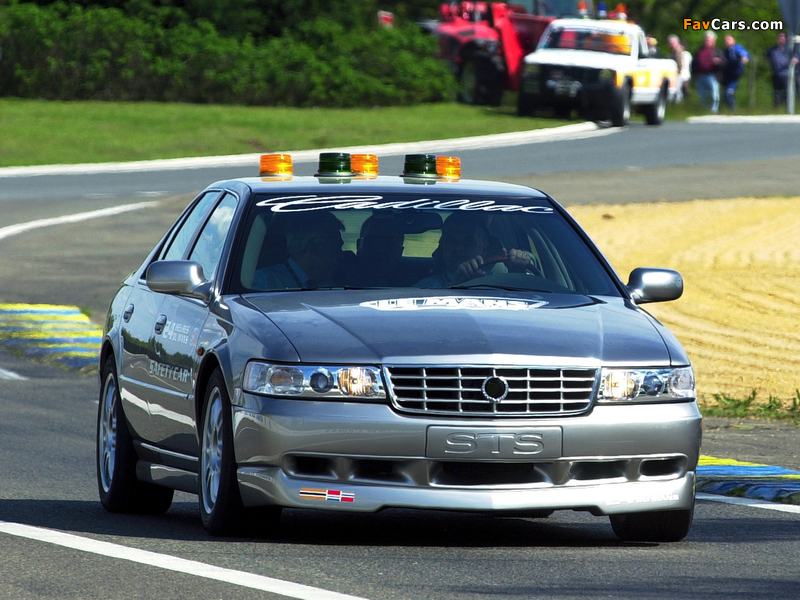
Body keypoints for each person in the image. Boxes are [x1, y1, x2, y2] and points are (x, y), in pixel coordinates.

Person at [415, 213, 535, 288]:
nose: (459, 247)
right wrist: (455, 285)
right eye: (452, 241)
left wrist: (517, 274)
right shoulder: (426, 287)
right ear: (443, 247)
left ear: (485, 249)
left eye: (468, 241)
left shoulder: (501, 283)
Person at [253, 212, 345, 290]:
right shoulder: (265, 283)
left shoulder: (328, 283)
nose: (341, 256)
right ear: (313, 248)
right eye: (335, 247)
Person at [350, 214, 405, 287]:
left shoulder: (412, 279)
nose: (380, 251)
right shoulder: (340, 273)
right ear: (359, 245)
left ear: (400, 251)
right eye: (373, 244)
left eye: (389, 245)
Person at [766, 32, 800, 108]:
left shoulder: (790, 49)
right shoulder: (773, 49)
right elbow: (767, 57)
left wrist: (795, 60)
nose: (780, 39)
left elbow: (797, 57)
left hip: (787, 74)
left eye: (782, 37)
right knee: (776, 93)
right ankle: (777, 108)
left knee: (787, 93)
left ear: (786, 39)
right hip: (776, 74)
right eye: (779, 37)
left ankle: (788, 108)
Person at [693, 32, 724, 114]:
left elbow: (724, 62)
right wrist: (695, 73)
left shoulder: (717, 51)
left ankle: (714, 110)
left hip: (712, 75)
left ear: (713, 41)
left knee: (714, 95)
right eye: (706, 39)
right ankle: (704, 110)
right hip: (700, 76)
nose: (707, 41)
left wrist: (718, 62)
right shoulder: (699, 51)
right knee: (702, 95)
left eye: (709, 40)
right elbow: (694, 63)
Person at [720, 34, 749, 110]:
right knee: (725, 94)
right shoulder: (725, 51)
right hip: (727, 75)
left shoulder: (737, 48)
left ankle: (733, 109)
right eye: (726, 40)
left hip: (735, 74)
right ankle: (729, 109)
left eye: (729, 39)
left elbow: (744, 54)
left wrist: (744, 58)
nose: (727, 41)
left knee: (728, 93)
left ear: (734, 40)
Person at [668, 35, 692, 101]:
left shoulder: (681, 52)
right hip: (676, 74)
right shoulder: (671, 52)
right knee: (678, 91)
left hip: (681, 74)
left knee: (682, 91)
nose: (671, 45)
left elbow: (682, 65)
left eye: (673, 43)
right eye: (670, 43)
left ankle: (681, 105)